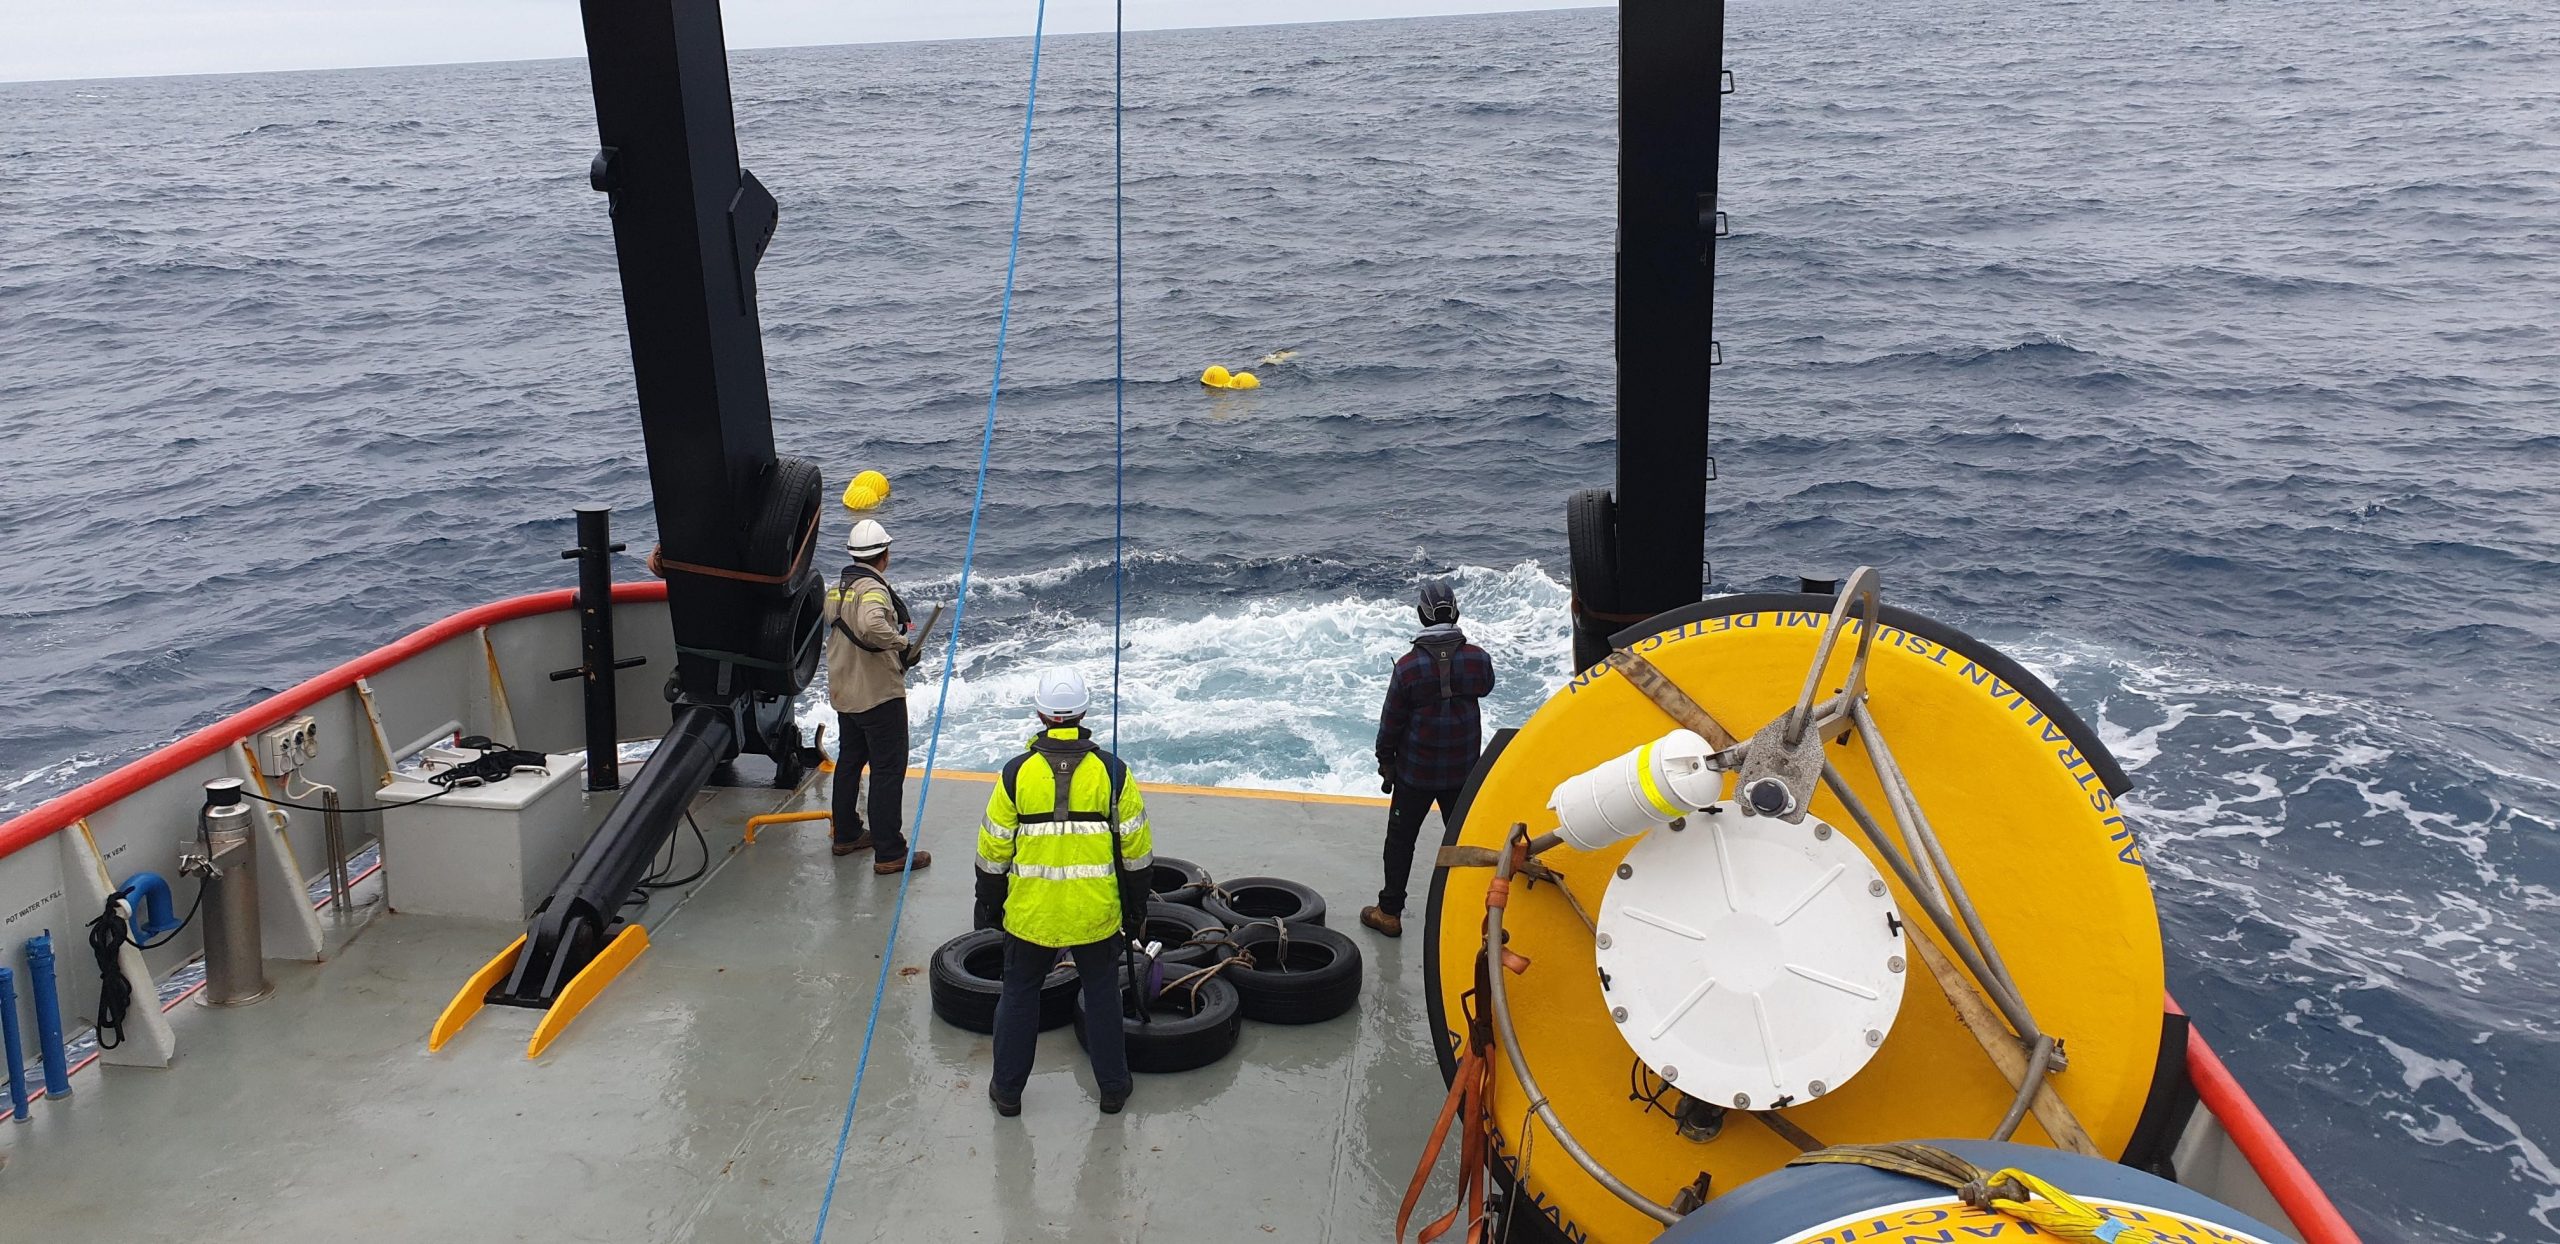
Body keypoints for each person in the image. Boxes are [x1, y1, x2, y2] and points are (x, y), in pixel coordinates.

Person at [973, 668, 1152, 1117]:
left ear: (1040, 713)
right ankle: (1113, 1089)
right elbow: (1137, 851)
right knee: (1103, 996)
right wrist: (1135, 908)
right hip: (1095, 915)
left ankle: (1008, 1092)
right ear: (1084, 711)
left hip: (1032, 916)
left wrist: (989, 905)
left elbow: (992, 851)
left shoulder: (1016, 774)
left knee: (1019, 995)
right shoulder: (1113, 772)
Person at [1360, 578, 1496, 938]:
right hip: (1463, 772)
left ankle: (1389, 912)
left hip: (1414, 775)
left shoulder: (1407, 667)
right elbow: (1486, 686)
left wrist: (1385, 762)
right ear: (1456, 613)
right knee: (1461, 841)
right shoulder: (1478, 659)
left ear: (1421, 616)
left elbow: (1390, 724)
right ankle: (1470, 912)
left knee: (1401, 841)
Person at [824, 518, 931, 874]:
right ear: (884, 555)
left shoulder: (837, 588)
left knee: (850, 762)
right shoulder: (873, 589)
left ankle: (847, 834)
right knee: (887, 770)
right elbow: (871, 624)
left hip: (845, 692)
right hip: (877, 695)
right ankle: (889, 852)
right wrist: (902, 643)